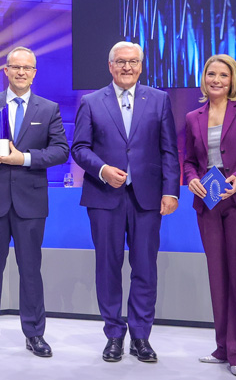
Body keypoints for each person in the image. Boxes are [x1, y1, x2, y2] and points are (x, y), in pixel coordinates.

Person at [71, 41, 179, 363]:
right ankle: (114, 335)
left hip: (147, 199)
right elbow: (79, 148)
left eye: (133, 62)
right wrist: (102, 169)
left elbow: (169, 150)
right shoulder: (91, 102)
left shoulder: (159, 100)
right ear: (110, 66)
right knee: (108, 268)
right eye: (121, 62)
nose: (127, 67)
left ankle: (141, 336)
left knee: (145, 268)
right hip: (104, 197)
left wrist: (171, 191)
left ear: (141, 66)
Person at [0, 47, 69, 358]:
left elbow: (61, 150)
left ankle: (35, 334)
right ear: (5, 71)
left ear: (35, 73)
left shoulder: (48, 109)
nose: (21, 72)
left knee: (31, 270)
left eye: (27, 68)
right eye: (15, 67)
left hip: (30, 203)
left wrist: (25, 159)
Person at [182, 54, 236, 377]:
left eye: (223, 75)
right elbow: (190, 159)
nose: (216, 80)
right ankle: (223, 348)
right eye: (211, 74)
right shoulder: (194, 116)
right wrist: (190, 177)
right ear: (203, 78)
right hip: (208, 203)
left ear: (233, 79)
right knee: (218, 279)